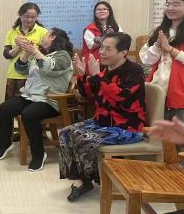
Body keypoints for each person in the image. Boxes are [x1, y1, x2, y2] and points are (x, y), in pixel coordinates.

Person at [59, 32, 146, 202]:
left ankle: (86, 179)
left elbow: (120, 97)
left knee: (83, 138)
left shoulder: (134, 71)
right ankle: (81, 180)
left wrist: (97, 76)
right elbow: (87, 94)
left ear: (123, 52)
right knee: (66, 132)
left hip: (126, 127)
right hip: (102, 122)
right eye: (102, 48)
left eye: (108, 49)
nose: (102, 52)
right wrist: (83, 75)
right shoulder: (103, 69)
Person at [0, 28, 73, 171]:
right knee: (4, 109)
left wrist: (35, 51)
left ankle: (39, 155)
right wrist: (26, 52)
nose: (43, 37)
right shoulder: (42, 53)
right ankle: (5, 144)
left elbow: (47, 67)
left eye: (46, 35)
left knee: (28, 114)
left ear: (53, 37)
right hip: (30, 95)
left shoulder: (63, 55)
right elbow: (20, 69)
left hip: (50, 100)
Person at [3, 2, 48, 100]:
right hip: (14, 75)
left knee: (30, 106)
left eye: (33, 17)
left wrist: (32, 48)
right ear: (20, 15)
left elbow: (47, 55)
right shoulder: (11, 33)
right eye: (27, 16)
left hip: (35, 76)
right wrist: (18, 47)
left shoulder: (43, 32)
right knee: (10, 106)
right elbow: (6, 55)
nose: (30, 20)